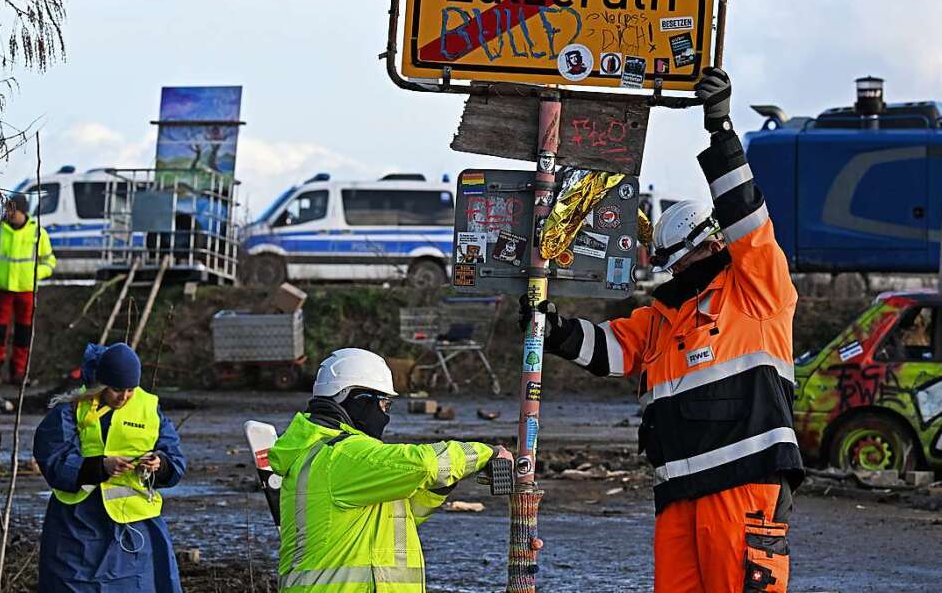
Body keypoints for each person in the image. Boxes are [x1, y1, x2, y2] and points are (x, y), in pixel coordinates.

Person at [521, 67, 804, 593]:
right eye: (673, 265)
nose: (680, 271)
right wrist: (547, 325)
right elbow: (607, 349)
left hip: (743, 486)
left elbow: (747, 217)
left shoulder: (756, 290)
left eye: (687, 259)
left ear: (714, 246)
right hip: (678, 491)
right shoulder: (660, 318)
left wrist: (720, 131)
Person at [269, 347, 539, 592]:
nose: (385, 413)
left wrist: (439, 488)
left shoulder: (323, 454)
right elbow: (424, 462)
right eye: (384, 403)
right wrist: (486, 453)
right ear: (358, 399)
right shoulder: (341, 455)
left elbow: (395, 518)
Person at [33, 343, 187, 592]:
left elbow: (174, 457)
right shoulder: (72, 410)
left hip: (135, 525)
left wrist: (160, 464)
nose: (124, 397)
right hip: (78, 524)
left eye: (130, 390)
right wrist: (101, 466)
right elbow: (54, 460)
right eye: (117, 389)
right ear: (102, 384)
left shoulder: (149, 409)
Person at [0, 193, 56, 386]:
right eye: (8, 209)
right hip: (2, 289)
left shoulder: (38, 233)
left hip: (26, 290)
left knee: (23, 332)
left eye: (13, 210)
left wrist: (36, 275)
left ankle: (19, 373)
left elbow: (49, 261)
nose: (10, 214)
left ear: (23, 212)